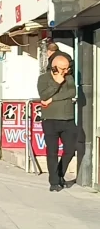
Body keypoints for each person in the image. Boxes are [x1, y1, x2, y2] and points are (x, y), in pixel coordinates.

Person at [37, 55, 78, 192]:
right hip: (50, 120)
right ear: (54, 67)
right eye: (63, 68)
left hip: (68, 119)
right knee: (52, 151)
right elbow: (43, 95)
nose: (66, 71)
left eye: (67, 68)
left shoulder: (69, 77)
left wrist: (52, 99)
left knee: (70, 150)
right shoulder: (43, 78)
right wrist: (56, 83)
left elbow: (72, 92)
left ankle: (59, 174)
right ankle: (54, 181)